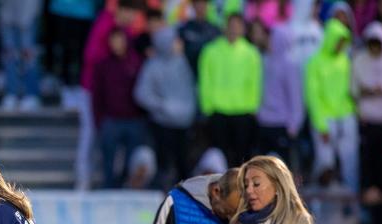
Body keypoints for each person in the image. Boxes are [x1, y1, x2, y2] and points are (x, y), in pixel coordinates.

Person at [198, 13, 263, 168]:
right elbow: (205, 80)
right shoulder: (211, 51)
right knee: (219, 155)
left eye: (237, 26)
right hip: (218, 110)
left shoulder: (251, 53)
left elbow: (255, 82)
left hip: (243, 111)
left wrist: (253, 106)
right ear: (225, 27)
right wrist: (207, 106)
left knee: (241, 155)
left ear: (242, 29)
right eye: (231, 25)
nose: (234, 29)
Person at [134, 27, 196, 187]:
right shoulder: (152, 66)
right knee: (164, 166)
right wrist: (163, 106)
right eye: (175, 41)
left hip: (184, 124)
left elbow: (190, 90)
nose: (178, 44)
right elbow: (141, 94)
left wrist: (187, 110)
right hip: (162, 125)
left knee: (184, 165)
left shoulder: (182, 62)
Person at [306, 18, 358, 192]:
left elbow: (351, 90)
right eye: (338, 41)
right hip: (325, 120)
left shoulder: (346, 61)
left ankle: (352, 201)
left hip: (346, 117)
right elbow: (313, 96)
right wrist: (321, 126)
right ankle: (321, 207)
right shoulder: (315, 62)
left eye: (343, 42)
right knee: (324, 164)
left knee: (350, 162)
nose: (340, 46)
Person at [92, 27, 146, 189]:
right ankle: (109, 188)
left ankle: (126, 187)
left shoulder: (137, 63)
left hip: (133, 120)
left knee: (131, 161)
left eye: (120, 40)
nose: (117, 44)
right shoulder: (103, 66)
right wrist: (99, 120)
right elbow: (97, 96)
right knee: (108, 159)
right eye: (113, 41)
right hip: (111, 119)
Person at [354, 21, 382, 219]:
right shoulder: (359, 60)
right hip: (368, 123)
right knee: (370, 164)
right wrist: (367, 91)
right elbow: (353, 89)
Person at [256, 26, 304, 166]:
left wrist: (294, 123)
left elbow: (295, 96)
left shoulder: (289, 65)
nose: (268, 41)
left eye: (272, 38)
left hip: (282, 125)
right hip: (264, 122)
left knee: (282, 168)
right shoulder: (264, 60)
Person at [0, 0, 42, 111]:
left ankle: (31, 94)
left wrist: (30, 14)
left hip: (28, 15)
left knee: (29, 58)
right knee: (9, 57)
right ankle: (11, 93)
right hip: (7, 16)